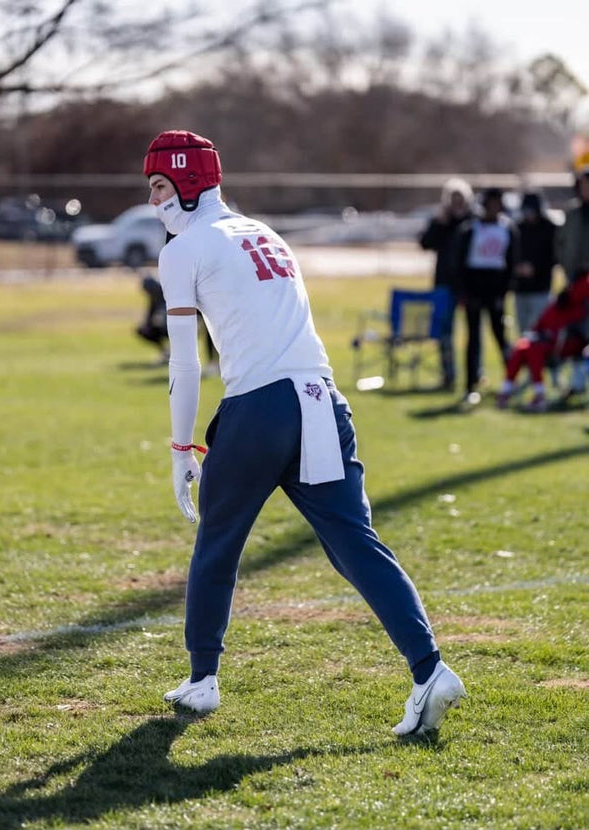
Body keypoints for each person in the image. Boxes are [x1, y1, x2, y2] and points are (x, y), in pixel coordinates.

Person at [142, 129, 466, 735]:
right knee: (355, 545)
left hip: (260, 407)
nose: (154, 200)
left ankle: (203, 678)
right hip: (321, 400)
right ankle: (430, 670)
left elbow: (184, 362)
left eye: (161, 185)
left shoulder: (183, 250)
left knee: (218, 542)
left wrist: (183, 445)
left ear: (187, 184)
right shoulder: (265, 232)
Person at [454, 187, 519, 404]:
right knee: (473, 338)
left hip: (496, 290)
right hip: (474, 289)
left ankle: (511, 381)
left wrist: (505, 290)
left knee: (500, 336)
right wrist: (464, 291)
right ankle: (470, 384)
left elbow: (511, 262)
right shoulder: (471, 228)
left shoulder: (507, 228)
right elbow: (460, 261)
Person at [496, 272, 589, 412]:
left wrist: (550, 337)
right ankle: (506, 391)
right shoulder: (558, 305)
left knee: (533, 349)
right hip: (547, 342)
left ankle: (539, 395)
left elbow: (576, 330)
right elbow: (539, 325)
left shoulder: (579, 307)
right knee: (523, 346)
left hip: (567, 344)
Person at [419, 177, 474, 390]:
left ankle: (475, 374)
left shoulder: (472, 221)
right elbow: (425, 243)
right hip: (444, 284)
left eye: (460, 198)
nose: (456, 203)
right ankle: (448, 375)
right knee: (444, 333)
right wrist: (440, 223)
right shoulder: (441, 221)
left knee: (473, 333)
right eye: (453, 199)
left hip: (469, 284)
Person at [555, 163, 589, 399]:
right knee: (575, 336)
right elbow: (561, 245)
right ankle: (576, 384)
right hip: (574, 283)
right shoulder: (572, 214)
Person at [512, 190, 557, 335]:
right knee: (523, 330)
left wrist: (536, 268)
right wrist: (516, 268)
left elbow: (554, 256)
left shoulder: (550, 228)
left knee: (541, 329)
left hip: (541, 288)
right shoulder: (517, 228)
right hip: (520, 288)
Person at [136, 274, 169, 365]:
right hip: (162, 328)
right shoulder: (153, 298)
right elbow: (150, 316)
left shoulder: (167, 295)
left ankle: (174, 355)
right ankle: (165, 352)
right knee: (144, 330)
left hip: (172, 327)